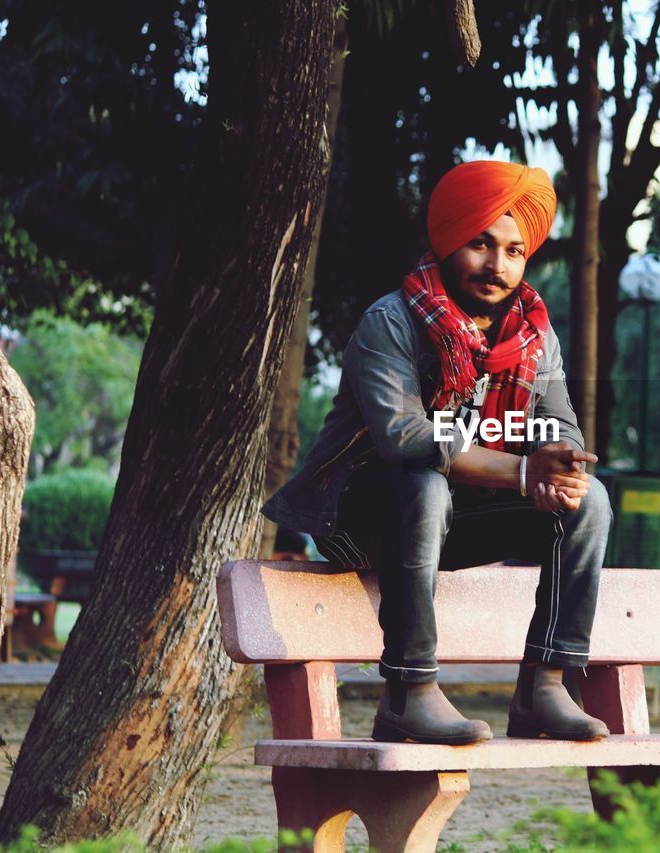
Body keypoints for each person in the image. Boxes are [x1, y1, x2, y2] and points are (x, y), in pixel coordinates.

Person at [262, 161, 612, 745]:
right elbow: (406, 437)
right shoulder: (391, 321)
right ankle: (409, 692)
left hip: (455, 520)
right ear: (450, 239)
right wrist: (524, 471)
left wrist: (560, 466)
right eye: (480, 243)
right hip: (362, 517)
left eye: (513, 250)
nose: (496, 265)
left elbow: (560, 425)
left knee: (590, 501)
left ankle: (545, 687)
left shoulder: (533, 335)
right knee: (423, 484)